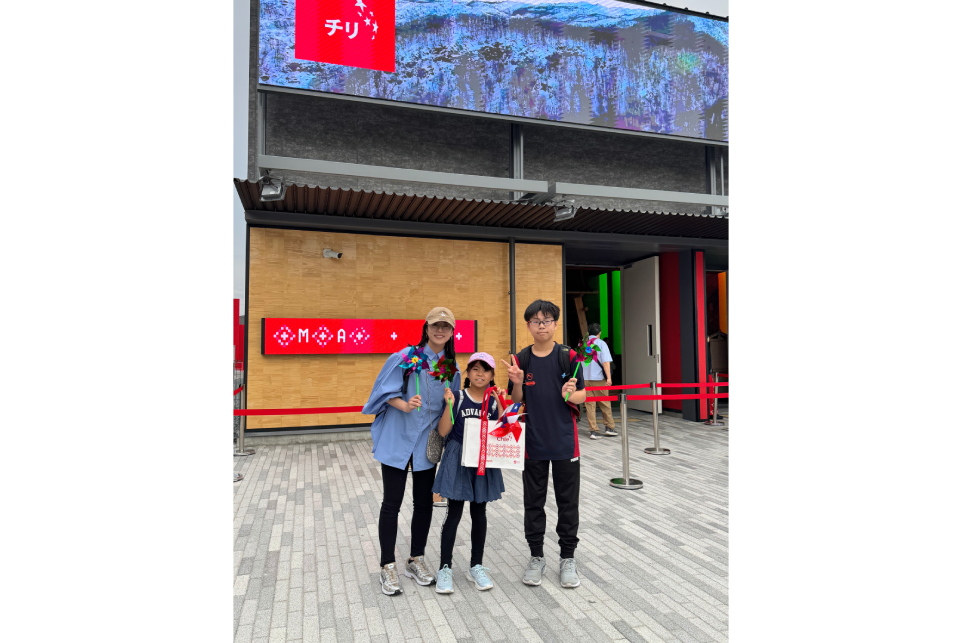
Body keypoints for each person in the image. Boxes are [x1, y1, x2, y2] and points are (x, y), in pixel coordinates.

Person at [363, 307, 461, 596]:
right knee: (391, 503)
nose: (440, 330)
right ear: (426, 328)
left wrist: (451, 407)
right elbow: (383, 391)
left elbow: (449, 409)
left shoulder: (451, 368)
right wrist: (404, 405)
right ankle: (387, 565)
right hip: (398, 438)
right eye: (435, 325)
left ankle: (415, 559)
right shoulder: (406, 358)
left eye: (445, 326)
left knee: (423, 503)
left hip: (426, 444)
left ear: (452, 332)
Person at [502, 300, 586, 590]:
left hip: (565, 444)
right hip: (532, 443)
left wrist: (569, 394)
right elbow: (516, 400)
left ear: (555, 324)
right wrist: (517, 382)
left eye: (547, 321)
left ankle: (567, 558)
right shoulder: (521, 359)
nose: (541, 326)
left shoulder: (569, 357)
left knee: (568, 503)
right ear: (528, 325)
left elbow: (582, 396)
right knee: (533, 503)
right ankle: (536, 556)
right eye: (536, 321)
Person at [432, 353, 507, 594]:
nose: (480, 373)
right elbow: (443, 431)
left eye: (485, 369)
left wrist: (503, 404)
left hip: (483, 460)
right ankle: (445, 568)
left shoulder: (494, 400)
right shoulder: (458, 396)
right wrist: (449, 405)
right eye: (475, 368)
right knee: (454, 513)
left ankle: (476, 566)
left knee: (479, 513)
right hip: (458, 458)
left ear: (492, 375)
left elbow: (505, 431)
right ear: (468, 373)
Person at [583, 323, 617, 440]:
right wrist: (609, 378)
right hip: (598, 378)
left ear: (588, 332)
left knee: (589, 405)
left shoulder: (582, 344)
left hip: (585, 378)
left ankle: (593, 431)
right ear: (600, 332)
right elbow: (605, 362)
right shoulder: (601, 344)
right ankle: (609, 428)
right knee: (604, 403)